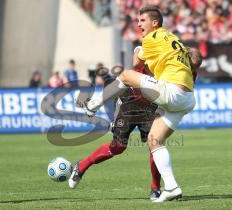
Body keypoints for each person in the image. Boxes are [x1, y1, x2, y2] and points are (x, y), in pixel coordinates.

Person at [81, 6, 202, 202]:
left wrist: (137, 49)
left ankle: (93, 105)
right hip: (187, 99)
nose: (138, 24)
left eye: (142, 20)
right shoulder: (173, 39)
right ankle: (171, 187)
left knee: (126, 75)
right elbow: (193, 59)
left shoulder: (153, 38)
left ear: (155, 23)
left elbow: (137, 64)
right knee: (155, 140)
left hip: (171, 92)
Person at [68, 65, 162, 201]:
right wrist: (115, 119)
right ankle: (82, 165)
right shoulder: (143, 51)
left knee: (155, 145)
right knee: (118, 147)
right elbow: (136, 58)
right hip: (128, 103)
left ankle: (156, 189)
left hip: (149, 106)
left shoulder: (166, 57)